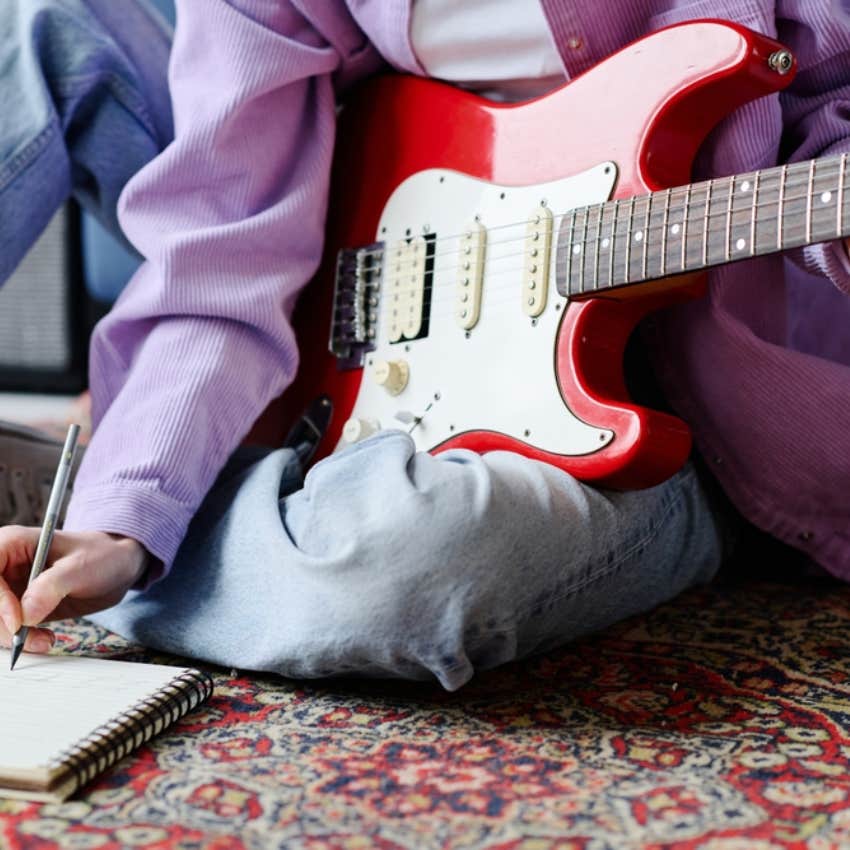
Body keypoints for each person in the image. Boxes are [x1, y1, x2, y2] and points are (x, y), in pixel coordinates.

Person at [0, 0, 847, 691]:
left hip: (665, 399)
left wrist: (130, 520)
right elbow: (229, 243)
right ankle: (138, 499)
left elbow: (825, 118)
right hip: (364, 213)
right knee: (44, 28)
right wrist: (131, 512)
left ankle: (88, 507)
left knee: (409, 573)